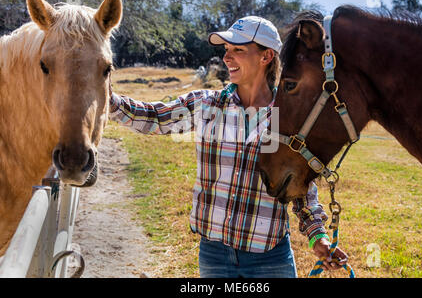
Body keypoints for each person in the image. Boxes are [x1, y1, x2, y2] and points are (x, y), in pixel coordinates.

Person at [109, 16, 348, 278]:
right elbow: (155, 117)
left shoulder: (286, 118)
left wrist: (318, 239)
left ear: (266, 56)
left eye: (238, 50)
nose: (227, 58)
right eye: (226, 50)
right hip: (214, 255)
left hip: (269, 258)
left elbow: (302, 190)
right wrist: (108, 100)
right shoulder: (207, 105)